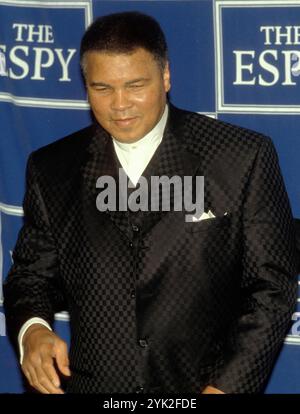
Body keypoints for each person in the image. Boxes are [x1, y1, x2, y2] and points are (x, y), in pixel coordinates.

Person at [3, 11, 298, 395]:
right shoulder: (52, 169)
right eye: (102, 88)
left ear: (166, 77)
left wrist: (227, 387)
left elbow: (272, 288)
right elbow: (31, 276)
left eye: (135, 85)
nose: (120, 104)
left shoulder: (239, 156)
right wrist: (33, 330)